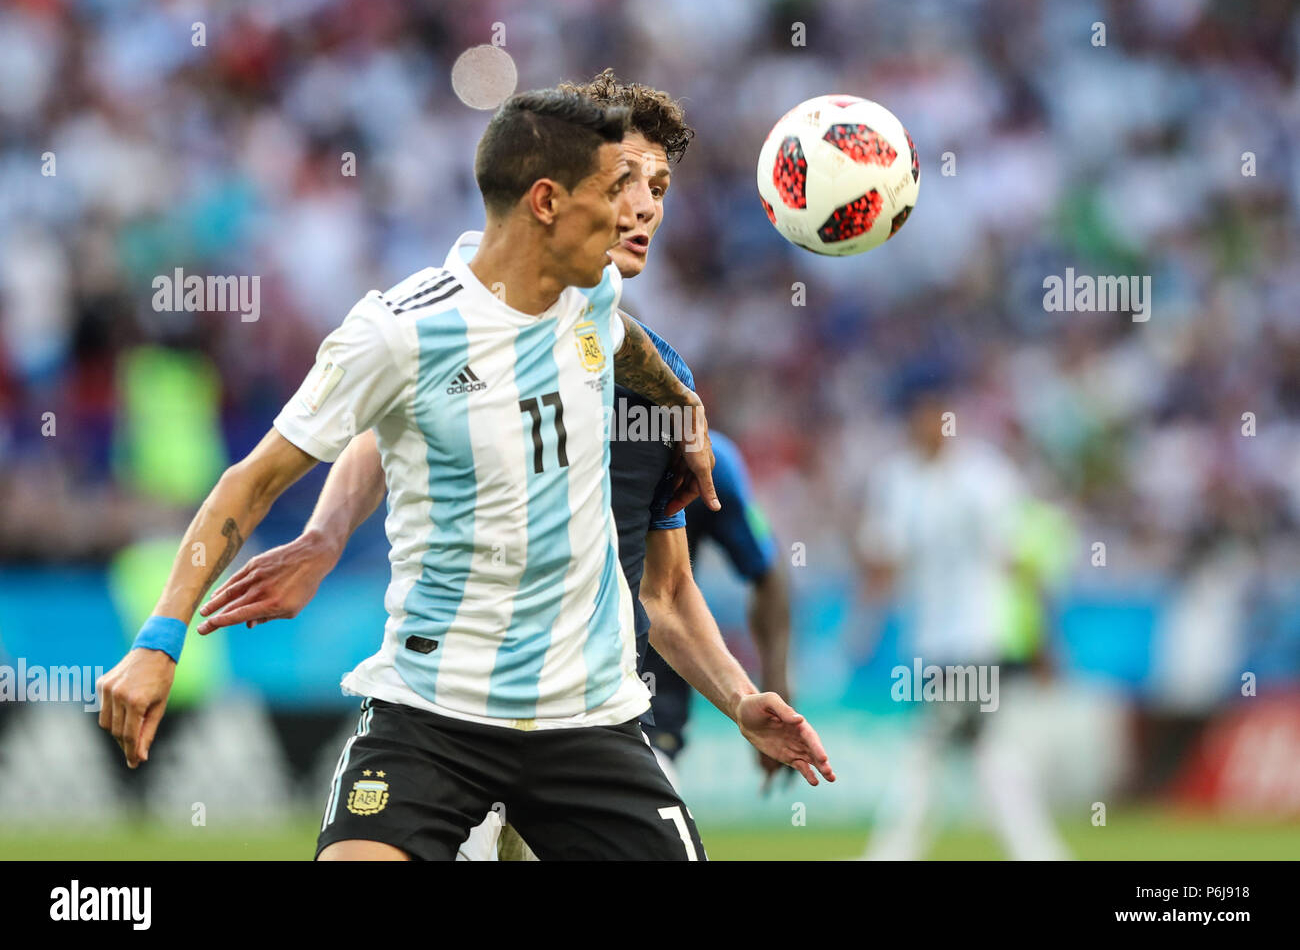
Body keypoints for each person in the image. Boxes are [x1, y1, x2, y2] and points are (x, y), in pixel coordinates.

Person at [98, 87, 832, 861]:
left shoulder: (594, 298)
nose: (636, 214)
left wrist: (681, 403)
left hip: (587, 719)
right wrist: (162, 635)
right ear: (547, 201)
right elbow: (256, 480)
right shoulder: (402, 332)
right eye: (618, 191)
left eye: (651, 190)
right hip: (433, 714)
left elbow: (621, 344)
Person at [855, 379, 1068, 860]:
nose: (931, 425)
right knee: (992, 755)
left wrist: (1042, 638)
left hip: (975, 636)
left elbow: (1016, 563)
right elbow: (882, 560)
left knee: (925, 748)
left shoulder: (983, 476)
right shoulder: (895, 480)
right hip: (929, 640)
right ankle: (1040, 852)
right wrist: (862, 628)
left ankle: (891, 853)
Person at [642, 430, 792, 791]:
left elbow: (768, 573)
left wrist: (776, 685)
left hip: (654, 702)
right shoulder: (557, 439)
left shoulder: (705, 459)